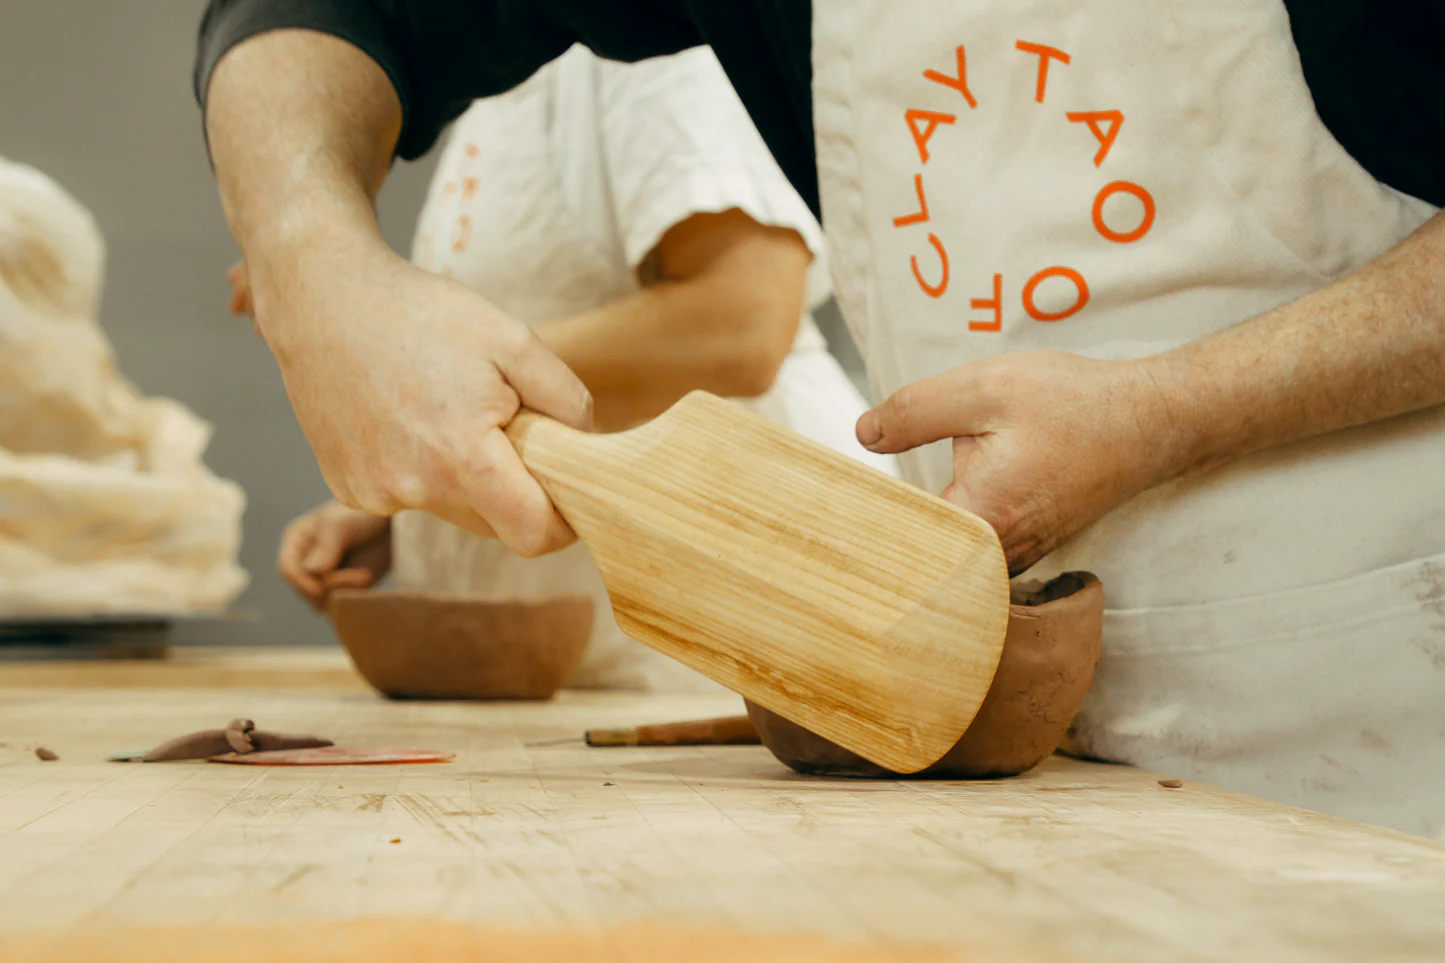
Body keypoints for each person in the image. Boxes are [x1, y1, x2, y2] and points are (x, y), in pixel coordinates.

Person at [193, 3, 1445, 835]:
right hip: (980, 755)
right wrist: (311, 254)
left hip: (1387, 729)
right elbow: (329, 14)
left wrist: (1166, 411)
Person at [229, 45, 893, 690]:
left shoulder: (648, 43)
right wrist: (425, 491)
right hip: (597, 681)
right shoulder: (502, 74)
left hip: (720, 653)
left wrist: (411, 364)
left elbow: (741, 321)